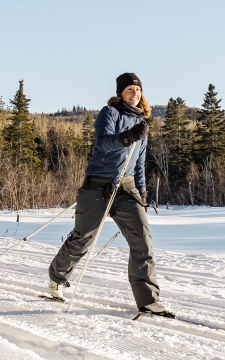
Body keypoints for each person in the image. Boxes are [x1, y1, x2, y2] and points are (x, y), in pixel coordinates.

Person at [47, 72, 174, 318]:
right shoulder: (110, 113)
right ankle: (56, 278)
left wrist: (142, 191)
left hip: (126, 189)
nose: (134, 94)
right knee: (83, 238)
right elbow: (103, 142)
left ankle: (148, 300)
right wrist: (127, 137)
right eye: (129, 90)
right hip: (97, 186)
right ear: (120, 93)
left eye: (137, 90)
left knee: (142, 240)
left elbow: (139, 163)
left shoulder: (143, 125)